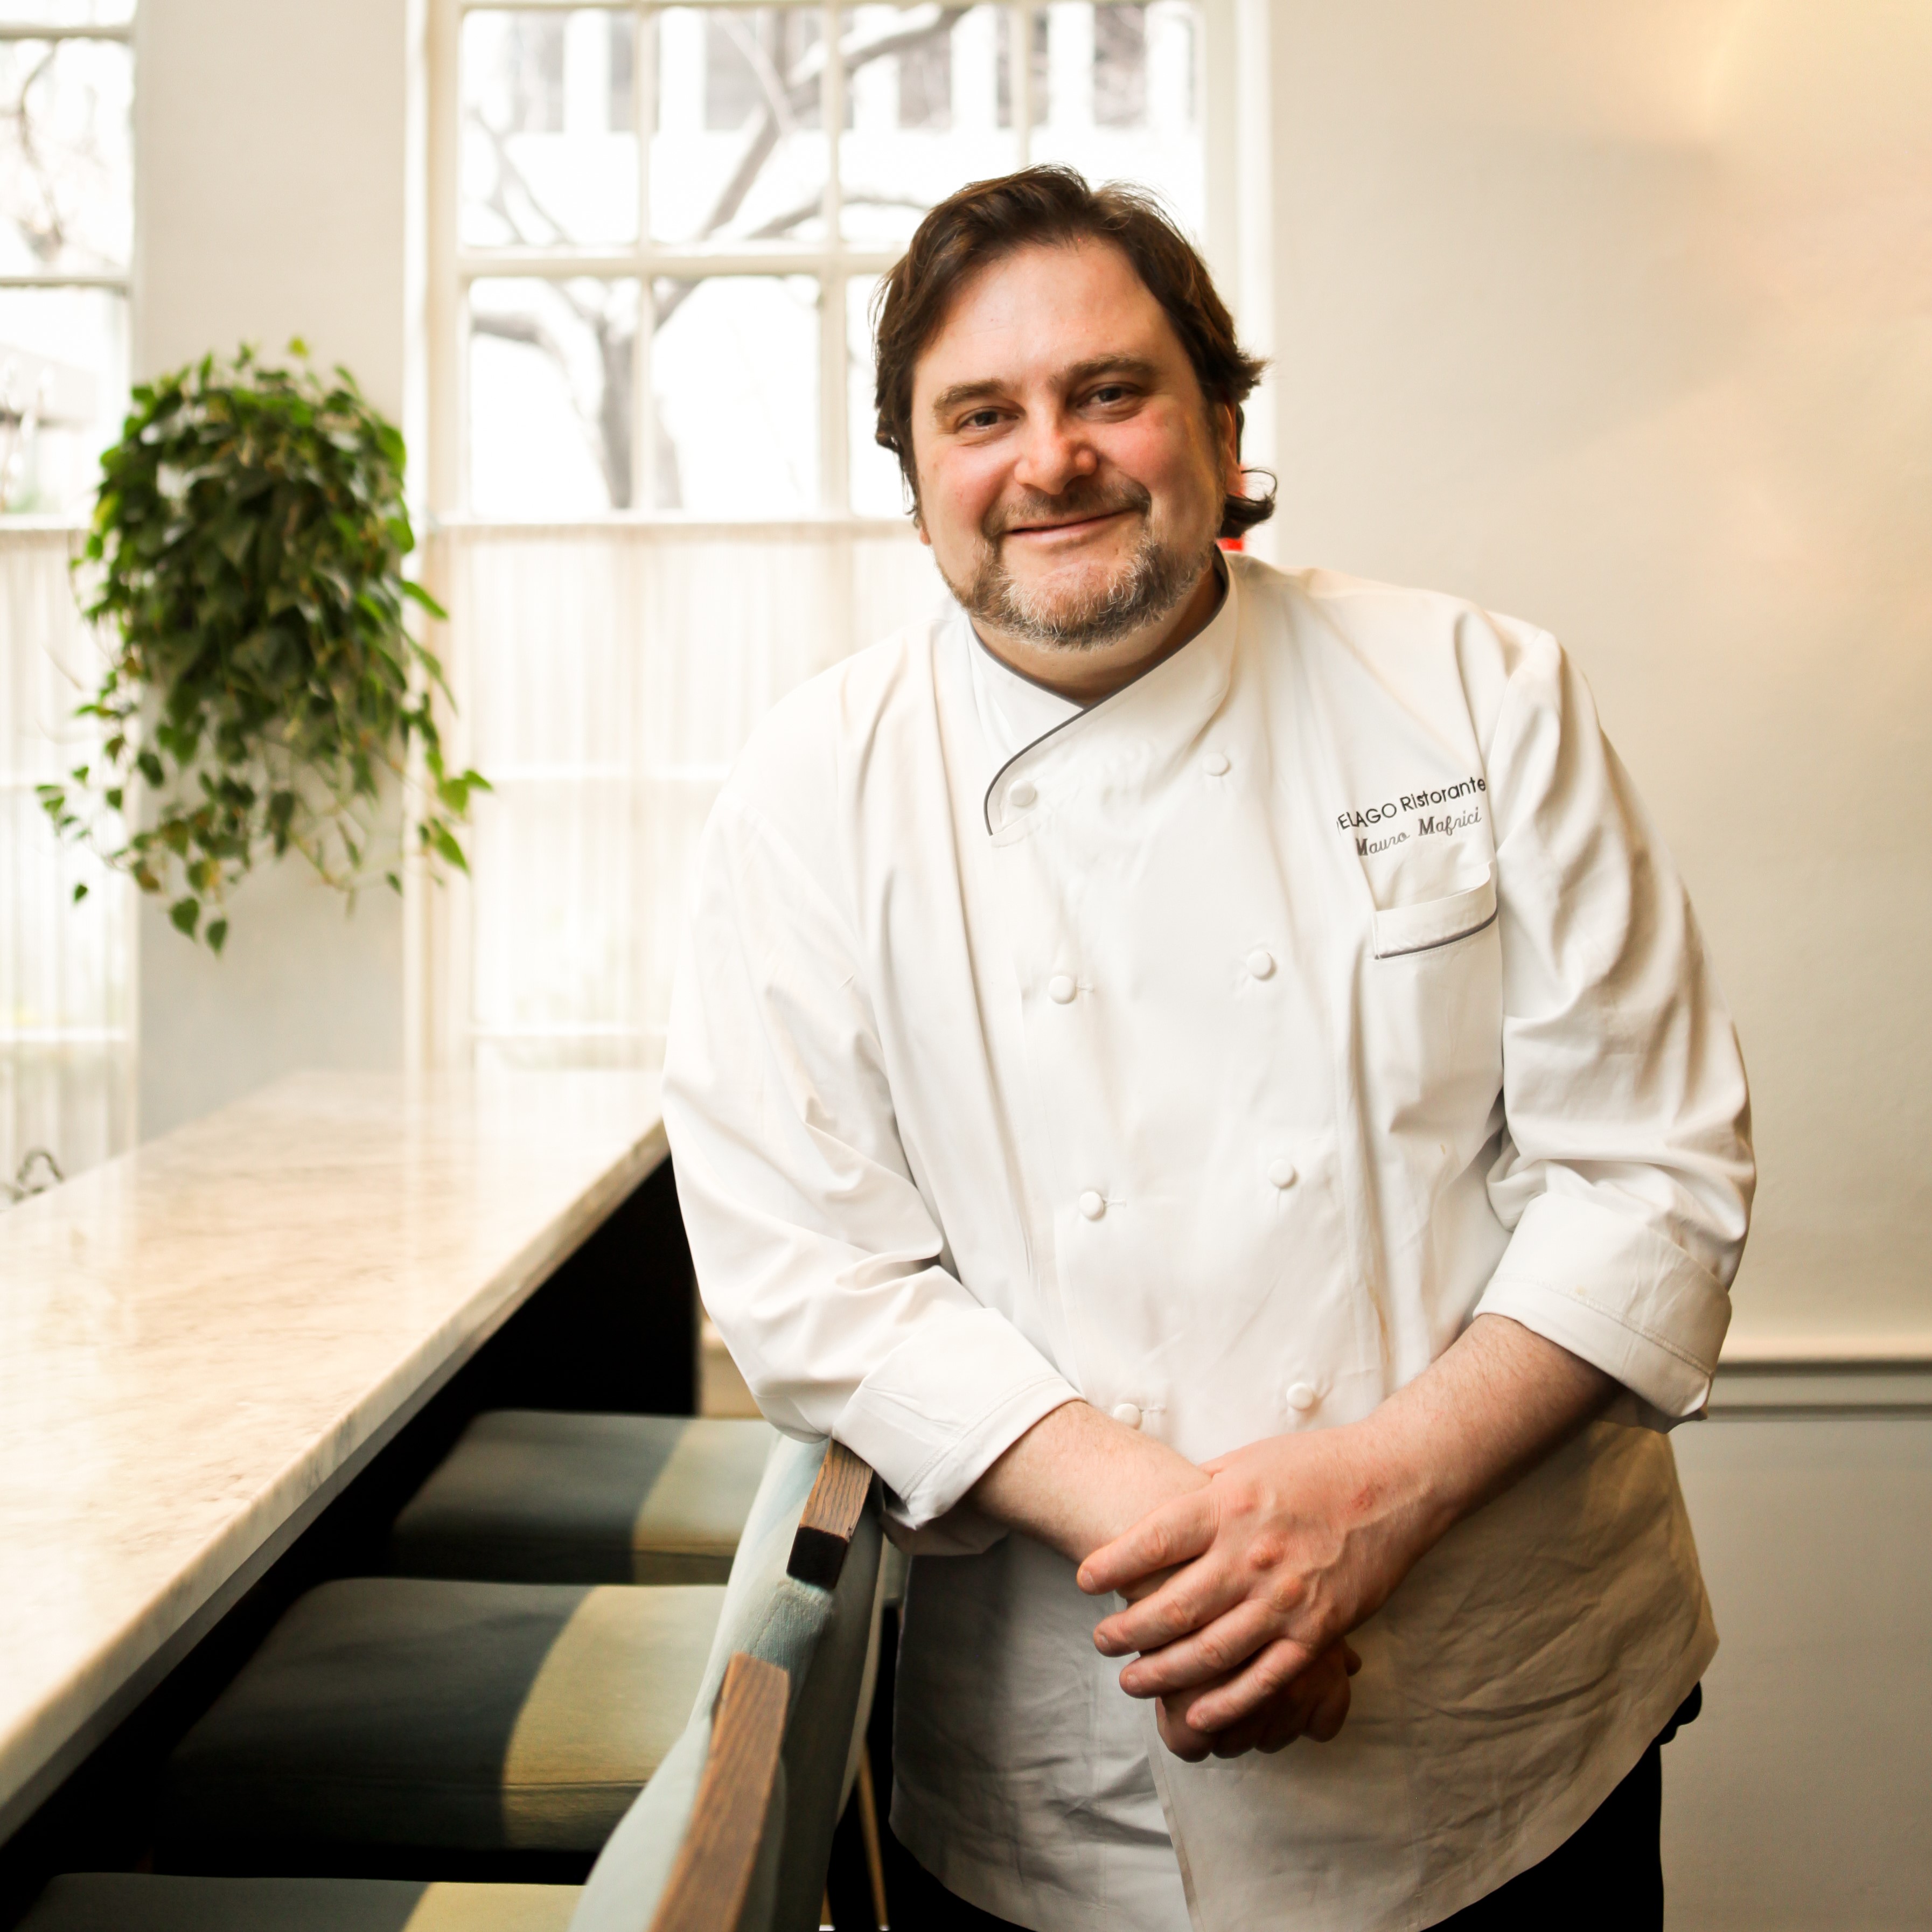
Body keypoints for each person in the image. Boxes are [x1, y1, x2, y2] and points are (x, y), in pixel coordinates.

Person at [662, 166, 1752, 1932]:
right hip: (1074, 1747)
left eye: (1110, 391)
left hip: (1507, 1715)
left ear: (1222, 428)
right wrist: (1222, 1565)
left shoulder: (1478, 691)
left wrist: (1367, 1504)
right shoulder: (807, 795)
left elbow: (1649, 1171)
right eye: (980, 415)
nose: (1051, 458)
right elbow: (810, 1276)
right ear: (914, 479)